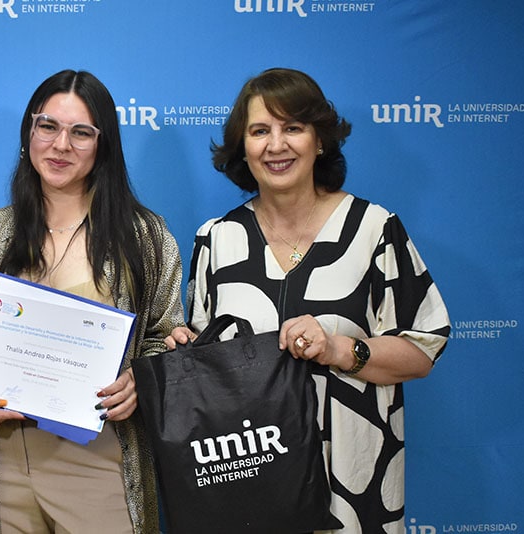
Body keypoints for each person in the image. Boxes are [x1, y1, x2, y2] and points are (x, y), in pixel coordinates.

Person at [167, 67, 451, 532]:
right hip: (248, 487)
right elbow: (210, 367)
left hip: (354, 490)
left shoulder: (375, 229)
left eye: (292, 128)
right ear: (243, 146)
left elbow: (422, 350)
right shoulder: (216, 240)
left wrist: (339, 348)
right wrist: (189, 354)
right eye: (260, 131)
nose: (276, 145)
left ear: (320, 140)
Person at [0, 69, 185, 534]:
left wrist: (143, 378)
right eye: (48, 126)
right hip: (6, 464)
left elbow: (164, 336)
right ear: (28, 132)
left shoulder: (144, 237)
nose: (61, 146)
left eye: (81, 133)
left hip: (99, 458)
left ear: (103, 146)